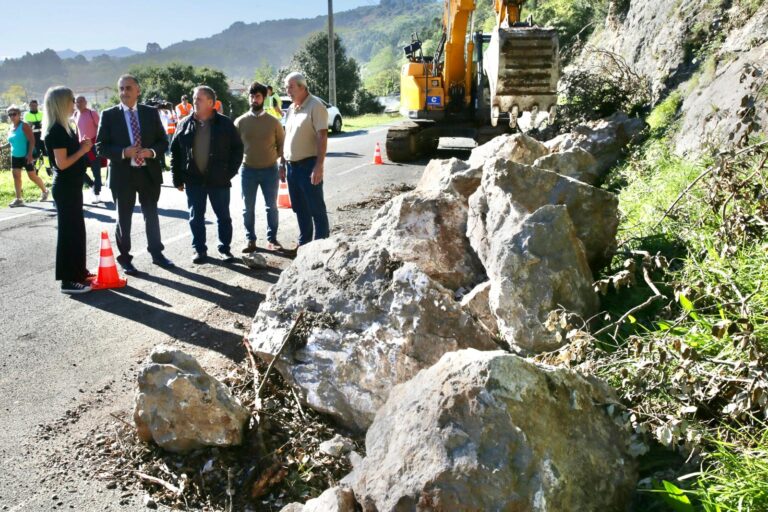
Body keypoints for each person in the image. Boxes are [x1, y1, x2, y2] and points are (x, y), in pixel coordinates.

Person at [95, 74, 173, 275]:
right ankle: (125, 259)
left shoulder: (149, 113)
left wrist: (151, 152)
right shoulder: (109, 115)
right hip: (123, 175)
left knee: (151, 215)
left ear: (138, 90)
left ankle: (157, 254)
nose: (124, 92)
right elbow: (100, 147)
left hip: (148, 173)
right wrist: (123, 152)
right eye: (121, 88)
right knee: (124, 219)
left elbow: (163, 141)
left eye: (128, 88)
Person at [170, 85, 243, 264]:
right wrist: (177, 178)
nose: (195, 102)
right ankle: (199, 250)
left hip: (219, 180)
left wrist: (228, 173)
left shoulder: (225, 124)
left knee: (223, 217)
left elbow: (237, 150)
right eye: (194, 98)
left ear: (211, 102)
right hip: (194, 180)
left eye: (199, 99)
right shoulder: (184, 124)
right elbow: (175, 153)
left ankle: (224, 249)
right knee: (196, 218)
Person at [42, 87, 93, 294]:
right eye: (72, 100)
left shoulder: (66, 127)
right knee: (68, 233)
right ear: (62, 103)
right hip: (65, 187)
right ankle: (68, 280)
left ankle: (78, 271)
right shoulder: (56, 130)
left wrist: (80, 146)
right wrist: (82, 150)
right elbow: (61, 164)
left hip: (72, 186)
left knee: (77, 230)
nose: (75, 103)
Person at [235, 81, 285, 253]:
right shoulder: (240, 122)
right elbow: (234, 147)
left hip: (270, 170)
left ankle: (272, 240)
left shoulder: (274, 122)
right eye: (251, 96)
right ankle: (251, 240)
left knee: (271, 206)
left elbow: (282, 146)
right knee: (247, 208)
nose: (254, 99)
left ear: (264, 98)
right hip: (247, 171)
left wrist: (274, 160)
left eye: (257, 96)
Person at [281, 71, 329, 246]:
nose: (288, 91)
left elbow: (322, 136)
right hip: (292, 167)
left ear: (302, 87)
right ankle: (305, 245)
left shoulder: (315, 106)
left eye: (291, 87)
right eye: (286, 87)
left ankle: (321, 246)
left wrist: (319, 166)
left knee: (316, 209)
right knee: (300, 209)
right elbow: (287, 136)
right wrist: (282, 163)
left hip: (309, 165)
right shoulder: (292, 109)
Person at [2, 105, 49, 207]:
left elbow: (32, 140)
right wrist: (2, 147)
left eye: (14, 114)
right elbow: (12, 143)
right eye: (10, 114)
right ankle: (18, 199)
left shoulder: (24, 126)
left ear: (19, 114)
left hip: (26, 156)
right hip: (15, 156)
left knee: (32, 176)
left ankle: (45, 191)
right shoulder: (11, 128)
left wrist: (29, 155)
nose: (12, 116)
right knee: (16, 176)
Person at [73, 95, 103, 204]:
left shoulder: (92, 113)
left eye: (81, 101)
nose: (78, 103)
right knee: (79, 169)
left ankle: (97, 193)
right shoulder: (75, 114)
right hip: (82, 147)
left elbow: (101, 128)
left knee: (96, 171)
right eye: (76, 102)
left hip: (93, 146)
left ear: (86, 102)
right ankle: (92, 185)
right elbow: (77, 131)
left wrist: (96, 143)